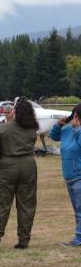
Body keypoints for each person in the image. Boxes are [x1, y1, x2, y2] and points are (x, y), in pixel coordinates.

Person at [0, 98, 38, 249]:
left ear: (14, 111)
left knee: (2, 204)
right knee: (27, 204)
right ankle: (24, 240)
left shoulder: (3, 129)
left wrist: (0, 170)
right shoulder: (32, 129)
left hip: (7, 166)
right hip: (28, 166)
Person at [50, 105, 81, 247]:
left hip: (79, 175)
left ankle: (78, 238)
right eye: (73, 115)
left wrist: (77, 129)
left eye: (76, 115)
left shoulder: (77, 131)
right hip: (69, 175)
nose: (74, 118)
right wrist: (58, 125)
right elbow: (54, 136)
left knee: (80, 209)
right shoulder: (68, 129)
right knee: (76, 209)